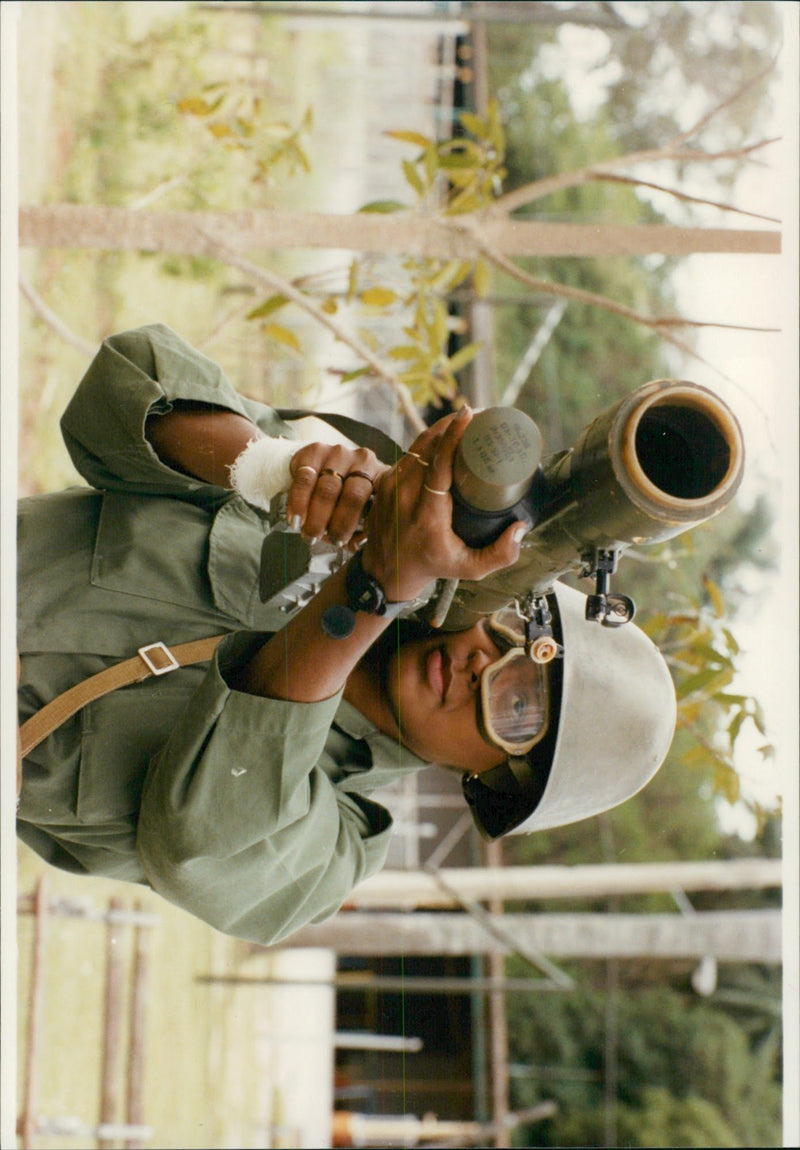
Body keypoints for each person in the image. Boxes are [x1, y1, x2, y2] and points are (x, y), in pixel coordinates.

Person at [17, 324, 676, 946]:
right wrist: (277, 470)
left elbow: (199, 844)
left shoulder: (333, 848)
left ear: (493, 778)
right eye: (515, 639)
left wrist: (377, 589)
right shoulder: (316, 545)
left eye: (518, 706)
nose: (485, 666)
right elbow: (117, 391)